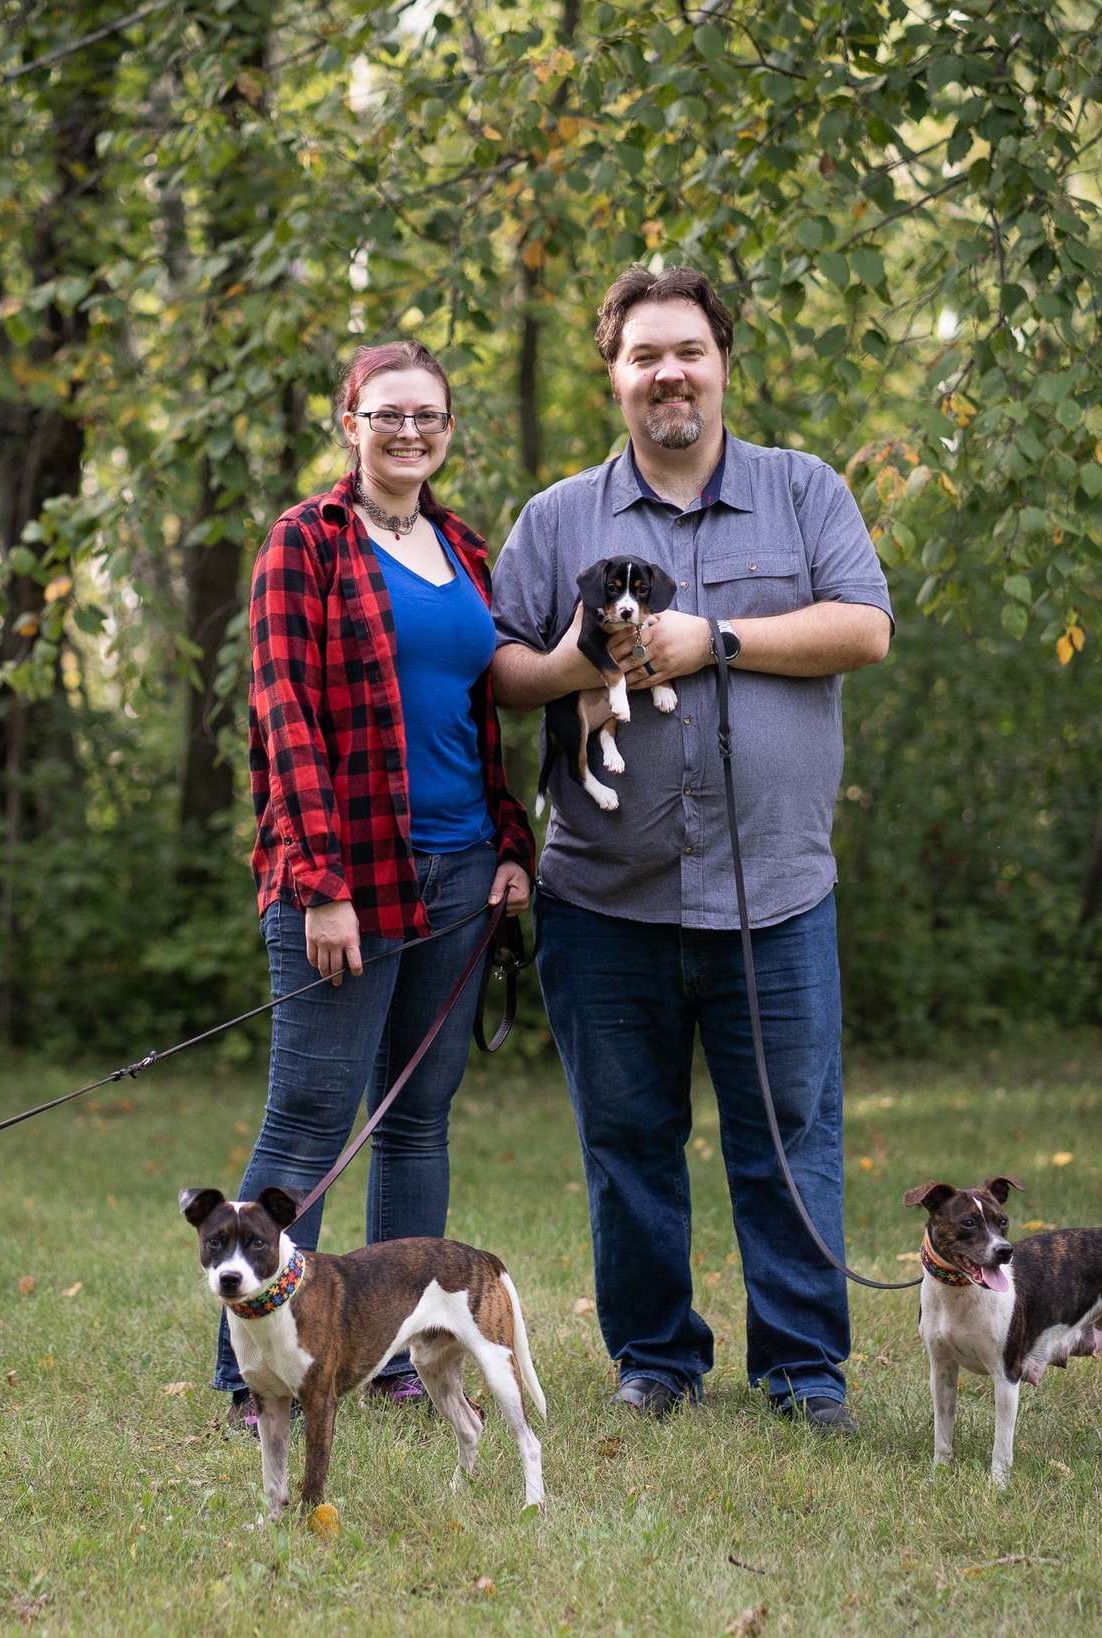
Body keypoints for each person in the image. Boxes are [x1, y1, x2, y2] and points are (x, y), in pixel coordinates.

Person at [490, 265, 893, 1428]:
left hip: (773, 891)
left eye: (688, 351)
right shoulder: (559, 515)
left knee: (788, 1138)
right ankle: (654, 1361)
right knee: (626, 1142)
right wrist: (588, 665)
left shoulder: (802, 491)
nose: (668, 372)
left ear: (722, 362)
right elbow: (505, 669)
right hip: (601, 900)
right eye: (642, 355)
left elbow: (863, 627)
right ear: (612, 375)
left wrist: (707, 637)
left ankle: (802, 1370)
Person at [214, 339, 535, 1432]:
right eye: (386, 414)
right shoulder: (302, 543)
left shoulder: (464, 545)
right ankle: (250, 1372)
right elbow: (282, 716)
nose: (409, 432)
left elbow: (478, 716)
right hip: (347, 874)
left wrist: (507, 844)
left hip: (457, 875)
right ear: (347, 420)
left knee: (414, 1118)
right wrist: (317, 883)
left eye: (429, 416)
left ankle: (394, 1355)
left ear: (448, 427)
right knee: (309, 1118)